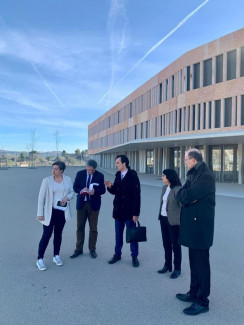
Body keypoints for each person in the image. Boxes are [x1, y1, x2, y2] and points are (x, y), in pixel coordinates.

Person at [176, 149, 215, 315]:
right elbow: (181, 194)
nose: (184, 161)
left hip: (201, 227)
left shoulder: (205, 176)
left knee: (202, 264)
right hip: (193, 225)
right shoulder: (193, 174)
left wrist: (187, 196)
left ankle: (202, 300)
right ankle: (193, 292)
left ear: (193, 159)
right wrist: (187, 196)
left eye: (185, 159)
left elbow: (188, 195)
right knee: (193, 261)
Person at [36, 161, 74, 271]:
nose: (53, 171)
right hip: (49, 211)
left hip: (61, 211)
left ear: (61, 170)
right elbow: (41, 198)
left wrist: (67, 198)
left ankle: (56, 256)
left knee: (58, 234)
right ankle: (40, 259)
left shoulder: (67, 179)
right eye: (52, 168)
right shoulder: (47, 181)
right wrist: (40, 213)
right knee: (47, 235)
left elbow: (72, 192)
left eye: (56, 169)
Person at [105, 154, 141, 268]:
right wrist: (110, 186)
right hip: (118, 211)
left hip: (130, 212)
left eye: (117, 163)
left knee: (132, 236)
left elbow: (137, 196)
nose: (116, 165)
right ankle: (117, 254)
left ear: (124, 163)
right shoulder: (118, 175)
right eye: (116, 163)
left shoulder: (133, 176)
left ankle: (134, 256)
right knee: (118, 235)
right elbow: (115, 191)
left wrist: (136, 213)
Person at [70, 159, 105, 259]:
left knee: (93, 228)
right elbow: (75, 187)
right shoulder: (80, 174)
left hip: (93, 205)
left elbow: (103, 190)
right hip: (81, 204)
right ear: (86, 167)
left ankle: (92, 249)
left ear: (95, 169)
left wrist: (95, 192)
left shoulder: (100, 175)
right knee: (80, 227)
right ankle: (78, 249)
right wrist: (81, 190)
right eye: (88, 170)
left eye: (92, 170)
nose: (90, 172)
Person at [157, 169, 182, 279]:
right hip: (163, 219)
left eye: (163, 175)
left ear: (169, 177)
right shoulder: (164, 188)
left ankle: (177, 268)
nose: (162, 177)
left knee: (176, 245)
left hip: (173, 221)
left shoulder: (177, 190)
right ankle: (167, 265)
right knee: (166, 243)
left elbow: (183, 206)